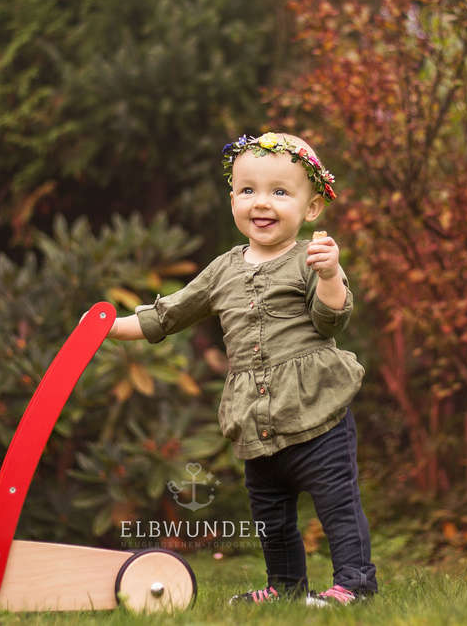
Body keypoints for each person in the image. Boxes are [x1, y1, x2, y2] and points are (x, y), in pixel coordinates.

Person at [102, 132, 377, 606]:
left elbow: (332, 319)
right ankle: (285, 587)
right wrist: (108, 328)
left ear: (311, 209)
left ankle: (354, 583)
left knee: (337, 503)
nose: (261, 203)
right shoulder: (223, 269)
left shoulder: (309, 258)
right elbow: (169, 313)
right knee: (271, 511)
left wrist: (331, 274)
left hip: (316, 411)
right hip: (257, 417)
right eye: (248, 190)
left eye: (280, 192)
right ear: (232, 199)